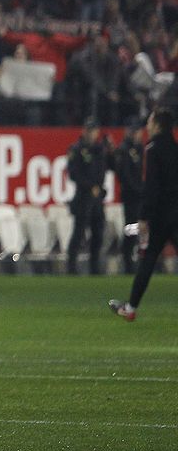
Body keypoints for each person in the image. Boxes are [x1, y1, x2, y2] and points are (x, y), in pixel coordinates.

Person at [110, 109, 178, 321]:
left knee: (147, 260)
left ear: (157, 125)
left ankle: (130, 308)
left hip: (159, 216)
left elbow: (152, 187)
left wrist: (144, 216)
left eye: (150, 121)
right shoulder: (175, 149)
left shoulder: (152, 149)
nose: (147, 125)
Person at [65, 119, 110, 275]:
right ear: (84, 131)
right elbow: (73, 174)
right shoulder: (76, 149)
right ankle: (71, 266)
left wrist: (98, 187)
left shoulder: (100, 150)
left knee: (98, 232)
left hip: (97, 198)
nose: (92, 134)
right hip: (83, 197)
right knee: (78, 233)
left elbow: (105, 169)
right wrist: (90, 186)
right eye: (90, 130)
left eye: (95, 131)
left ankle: (94, 266)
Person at [113, 121, 149, 273]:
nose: (138, 135)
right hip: (131, 196)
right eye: (135, 132)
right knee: (130, 227)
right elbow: (125, 176)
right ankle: (127, 260)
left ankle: (135, 259)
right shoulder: (124, 149)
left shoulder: (139, 149)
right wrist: (139, 189)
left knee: (138, 228)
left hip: (139, 196)